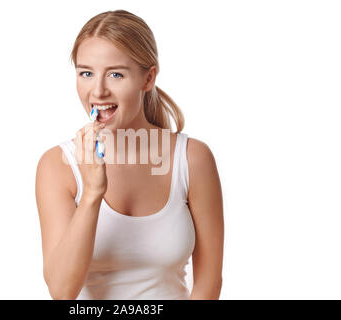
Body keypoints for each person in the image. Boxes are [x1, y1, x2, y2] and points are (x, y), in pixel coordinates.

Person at [35, 9, 224, 300]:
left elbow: (208, 285)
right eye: (86, 73)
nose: (97, 91)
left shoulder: (192, 159)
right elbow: (62, 291)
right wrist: (92, 194)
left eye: (115, 74)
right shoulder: (57, 166)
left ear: (148, 79)